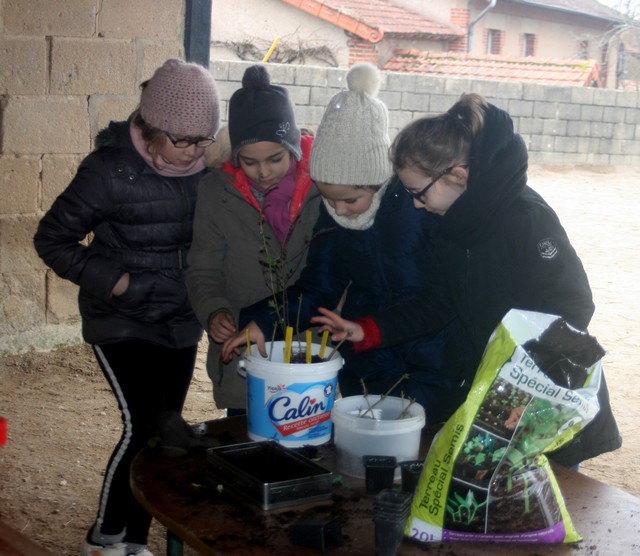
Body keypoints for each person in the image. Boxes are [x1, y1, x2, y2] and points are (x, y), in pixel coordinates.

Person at [310, 92, 621, 467]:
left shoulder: (526, 218)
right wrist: (369, 330)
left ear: (457, 175)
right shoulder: (452, 225)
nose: (416, 205)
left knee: (550, 503)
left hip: (547, 396)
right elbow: (440, 301)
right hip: (494, 393)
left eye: (418, 193)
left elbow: (572, 306)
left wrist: (527, 387)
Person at [33, 58, 220, 556]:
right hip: (121, 316)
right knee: (143, 424)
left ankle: (132, 542)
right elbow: (52, 239)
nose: (194, 153)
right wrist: (118, 283)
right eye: (183, 142)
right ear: (150, 129)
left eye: (204, 141)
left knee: (168, 428)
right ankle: (104, 537)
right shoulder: (109, 171)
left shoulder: (210, 172)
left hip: (180, 319)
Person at [222, 63, 473, 423]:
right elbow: (318, 285)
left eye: (349, 200)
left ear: (376, 180)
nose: (339, 210)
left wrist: (373, 329)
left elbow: (442, 299)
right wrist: (265, 321)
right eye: (327, 199)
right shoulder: (335, 217)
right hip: (367, 369)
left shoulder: (421, 211)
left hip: (435, 366)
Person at [185, 64, 321, 415]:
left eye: (275, 159)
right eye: (249, 161)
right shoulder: (217, 193)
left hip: (312, 352)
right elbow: (203, 269)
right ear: (235, 156)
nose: (263, 172)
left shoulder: (324, 186)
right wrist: (214, 310)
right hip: (245, 354)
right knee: (245, 445)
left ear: (292, 146)